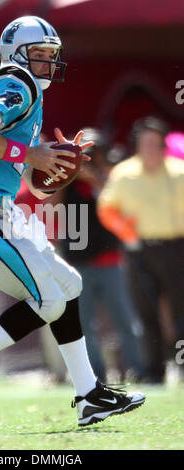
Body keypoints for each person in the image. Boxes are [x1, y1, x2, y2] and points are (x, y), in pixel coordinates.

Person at [0, 16, 144, 427]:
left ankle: (89, 395)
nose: (47, 64)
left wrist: (57, 162)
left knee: (68, 285)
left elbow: (32, 180)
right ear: (17, 53)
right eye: (39, 55)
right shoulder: (17, 81)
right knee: (48, 299)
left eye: (51, 56)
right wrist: (33, 155)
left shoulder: (24, 92)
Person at [98, 116, 184, 383]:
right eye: (145, 143)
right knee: (145, 312)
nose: (150, 148)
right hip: (138, 250)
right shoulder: (124, 174)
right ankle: (154, 372)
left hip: (175, 247)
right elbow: (106, 208)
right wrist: (126, 231)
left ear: (162, 145)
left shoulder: (179, 171)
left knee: (181, 310)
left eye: (154, 143)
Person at [62, 129, 145, 382]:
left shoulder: (112, 179)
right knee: (85, 325)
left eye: (93, 152)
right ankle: (93, 375)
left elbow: (123, 205)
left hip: (110, 262)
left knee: (125, 321)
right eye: (85, 153)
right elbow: (50, 206)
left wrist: (94, 178)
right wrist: (68, 172)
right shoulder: (68, 184)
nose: (89, 157)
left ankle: (139, 370)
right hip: (77, 264)